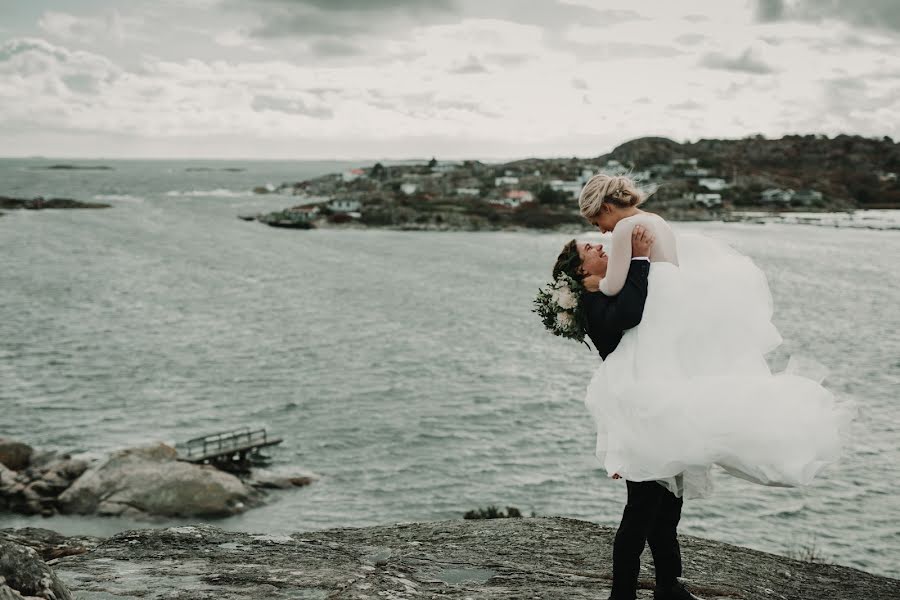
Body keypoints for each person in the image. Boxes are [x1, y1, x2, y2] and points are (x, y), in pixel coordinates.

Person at [552, 226, 701, 600]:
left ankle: (669, 586)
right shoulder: (593, 304)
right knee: (642, 510)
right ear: (582, 271)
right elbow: (631, 314)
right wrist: (637, 258)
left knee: (667, 508)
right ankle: (623, 595)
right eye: (590, 248)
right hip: (639, 417)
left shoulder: (603, 294)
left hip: (653, 410)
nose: (600, 246)